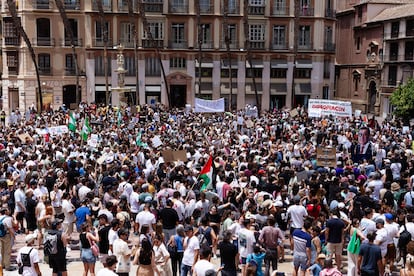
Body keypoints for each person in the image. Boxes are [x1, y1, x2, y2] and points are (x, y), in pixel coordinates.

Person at [0, 207, 15, 271]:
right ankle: (7, 266)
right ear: (5, 211)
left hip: (0, 235)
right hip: (6, 235)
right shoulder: (8, 218)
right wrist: (13, 236)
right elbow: (10, 228)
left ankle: (1, 264)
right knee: (7, 251)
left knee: (1, 251)